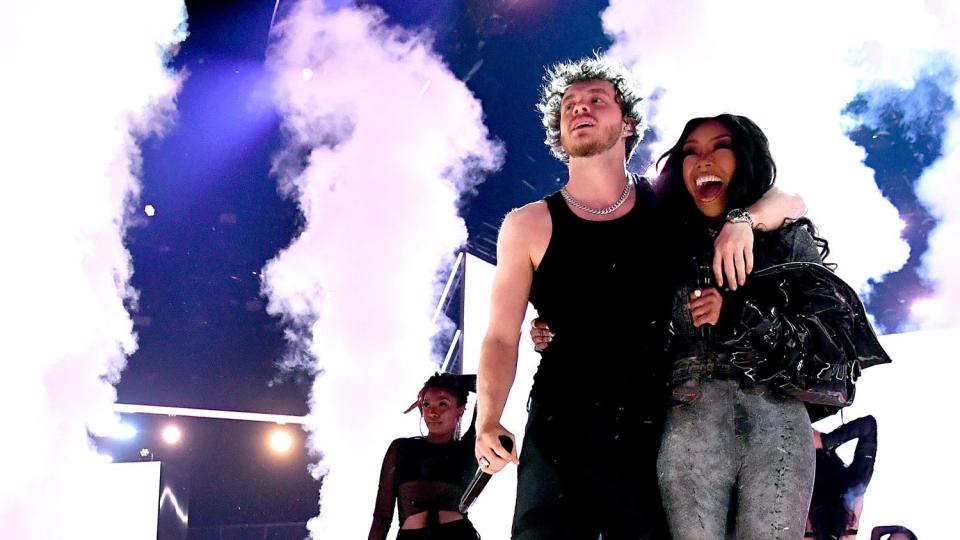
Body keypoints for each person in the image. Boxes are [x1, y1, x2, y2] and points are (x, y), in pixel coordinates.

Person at [474, 54, 805, 540]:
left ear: (627, 121)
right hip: (562, 423)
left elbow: (791, 201)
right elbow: (501, 337)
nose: (579, 110)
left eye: (596, 100)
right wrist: (488, 418)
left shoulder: (668, 206)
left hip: (655, 424)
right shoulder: (527, 224)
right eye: (568, 105)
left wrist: (741, 222)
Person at [369, 373, 480, 540]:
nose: (433, 412)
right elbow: (382, 517)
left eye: (443, 404)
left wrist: (454, 381)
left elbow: (488, 383)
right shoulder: (402, 449)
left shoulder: (471, 447)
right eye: (427, 405)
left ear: (460, 410)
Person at [806, 415, 879, 540]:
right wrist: (825, 441)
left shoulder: (800, 530)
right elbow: (868, 426)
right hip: (800, 426)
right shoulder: (853, 497)